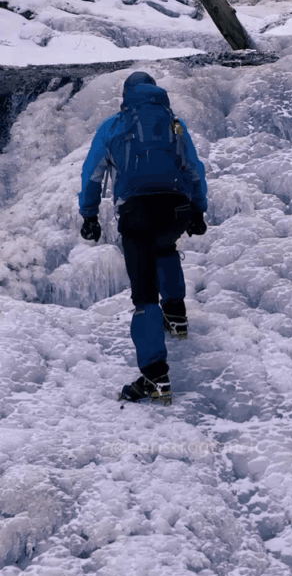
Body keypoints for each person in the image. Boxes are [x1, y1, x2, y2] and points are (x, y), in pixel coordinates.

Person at [78, 71, 207, 405]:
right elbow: (193, 168)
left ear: (127, 95)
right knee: (165, 246)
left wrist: (89, 214)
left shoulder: (114, 125)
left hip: (136, 211)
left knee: (144, 296)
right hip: (176, 207)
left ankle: (154, 375)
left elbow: (92, 173)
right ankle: (176, 315)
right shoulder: (174, 124)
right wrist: (197, 210)